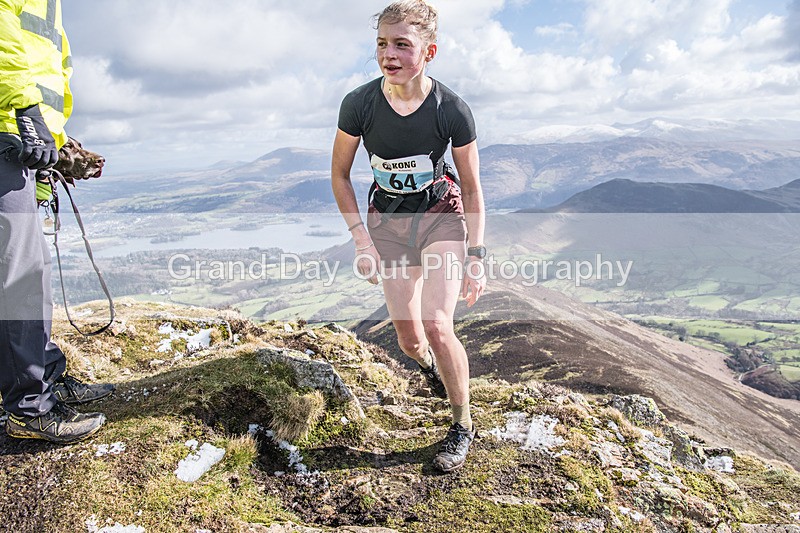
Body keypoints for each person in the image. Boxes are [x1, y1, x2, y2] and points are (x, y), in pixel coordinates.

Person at [332, 0, 487, 472]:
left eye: (402, 44)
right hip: (389, 225)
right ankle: (434, 376)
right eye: (382, 43)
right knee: (408, 339)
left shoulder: (451, 109)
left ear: (429, 51)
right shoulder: (359, 104)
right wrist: (361, 239)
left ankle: (461, 425)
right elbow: (340, 175)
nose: (389, 54)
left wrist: (476, 256)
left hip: (441, 216)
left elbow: (474, 186)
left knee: (439, 324)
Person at [1, 0, 114, 444]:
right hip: (10, 133)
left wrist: (57, 145)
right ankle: (29, 409)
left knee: (31, 275)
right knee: (20, 278)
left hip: (26, 145)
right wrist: (25, 112)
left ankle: (44, 378)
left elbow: (52, 66)